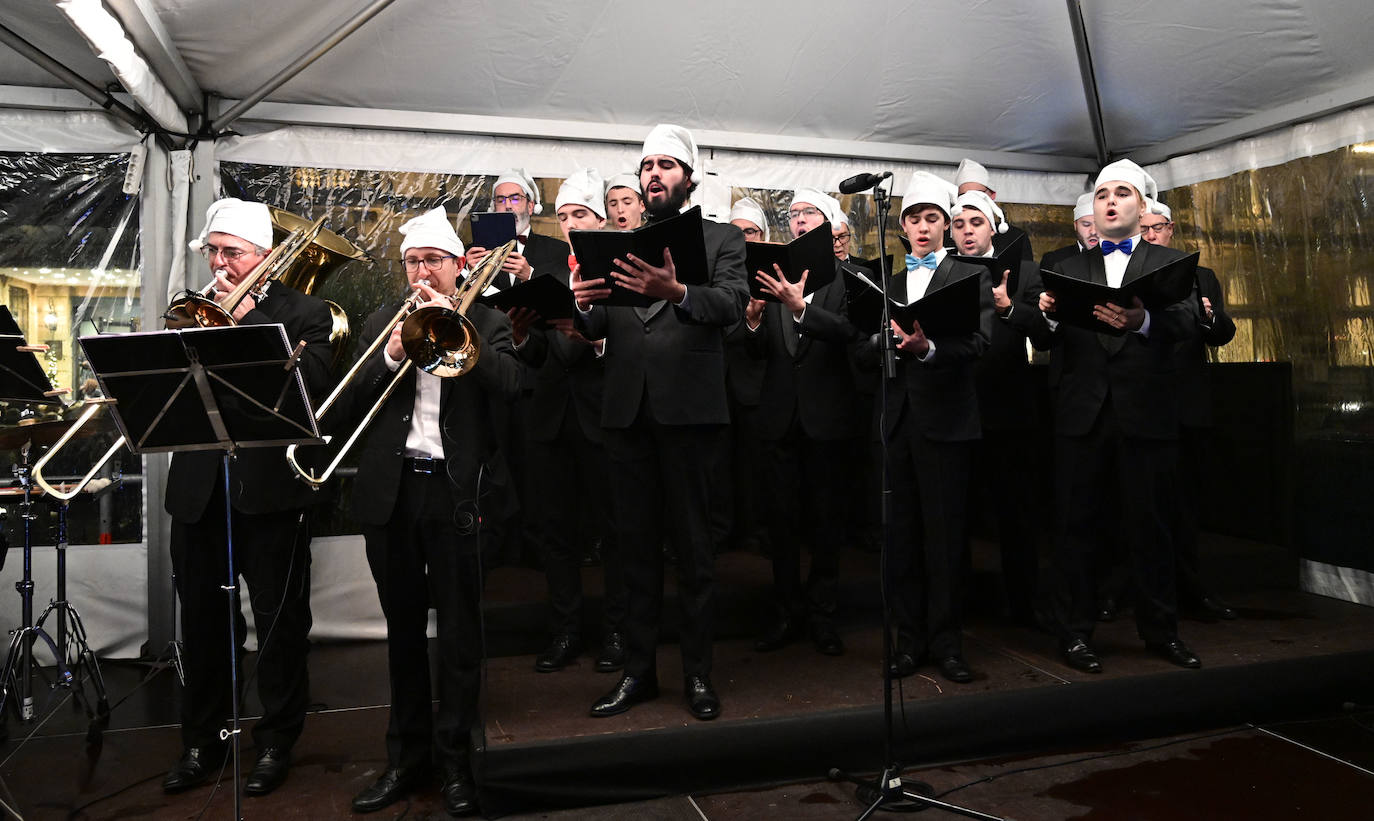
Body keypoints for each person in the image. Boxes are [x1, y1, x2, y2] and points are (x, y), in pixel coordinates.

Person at [348, 207, 521, 816]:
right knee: (401, 633)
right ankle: (404, 760)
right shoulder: (380, 321)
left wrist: (460, 328)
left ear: (459, 266)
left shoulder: (491, 320)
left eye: (433, 262)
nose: (421, 271)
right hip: (394, 494)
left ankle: (456, 762)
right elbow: (347, 401)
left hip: (458, 494)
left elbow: (512, 387)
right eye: (412, 262)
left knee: (459, 635)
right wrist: (393, 352)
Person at [572, 123, 748, 720]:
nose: (654, 175)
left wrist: (676, 292)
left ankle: (697, 675)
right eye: (647, 166)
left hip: (690, 416)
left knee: (695, 551)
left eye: (667, 166)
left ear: (689, 179)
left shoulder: (722, 240)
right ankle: (638, 673)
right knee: (634, 551)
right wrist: (581, 303)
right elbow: (599, 328)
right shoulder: (618, 242)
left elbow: (728, 306)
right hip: (626, 415)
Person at [162, 198, 333, 797]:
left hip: (271, 492)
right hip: (199, 491)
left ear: (264, 256)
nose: (220, 264)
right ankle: (201, 740)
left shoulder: (308, 313)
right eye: (213, 251)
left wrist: (246, 326)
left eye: (232, 252)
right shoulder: (190, 308)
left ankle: (277, 741)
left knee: (281, 622)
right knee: (204, 624)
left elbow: (311, 390)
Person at [1037, 159, 1203, 675]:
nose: (1110, 202)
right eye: (1103, 194)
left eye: (1122, 193)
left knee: (1151, 526)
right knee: (1076, 527)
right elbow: (1045, 337)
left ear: (1142, 206)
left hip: (1145, 413)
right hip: (1082, 414)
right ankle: (1076, 634)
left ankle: (1161, 632)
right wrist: (1044, 313)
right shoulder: (1064, 265)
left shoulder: (1170, 261)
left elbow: (1191, 318)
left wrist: (1144, 319)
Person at [857, 171, 993, 684]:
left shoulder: (967, 275)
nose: (922, 227)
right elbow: (857, 345)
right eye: (913, 219)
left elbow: (979, 343)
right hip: (896, 421)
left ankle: (949, 644)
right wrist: (881, 345)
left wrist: (928, 348)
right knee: (902, 539)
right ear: (903, 227)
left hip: (948, 422)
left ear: (945, 226)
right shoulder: (884, 283)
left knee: (946, 539)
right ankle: (908, 642)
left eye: (932, 219)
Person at [746, 188, 861, 656]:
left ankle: (823, 615)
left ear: (829, 222)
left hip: (826, 419)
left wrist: (802, 310)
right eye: (792, 215)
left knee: (826, 522)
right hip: (779, 418)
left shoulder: (847, 279)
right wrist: (753, 321)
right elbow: (754, 354)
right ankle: (786, 612)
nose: (798, 222)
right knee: (782, 524)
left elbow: (852, 334)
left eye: (807, 213)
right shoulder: (771, 278)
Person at [524, 169, 626, 674]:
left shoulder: (619, 270)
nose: (569, 224)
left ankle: (616, 632)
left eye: (579, 215)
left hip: (602, 417)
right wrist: (523, 334)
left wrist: (600, 339)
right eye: (562, 216)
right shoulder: (546, 277)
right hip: (550, 419)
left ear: (602, 220)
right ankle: (565, 631)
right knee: (556, 531)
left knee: (613, 530)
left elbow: (633, 344)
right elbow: (538, 351)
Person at [951, 190, 1053, 626]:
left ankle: (1026, 605)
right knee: (956, 515)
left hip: (1008, 408)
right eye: (959, 224)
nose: (967, 231)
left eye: (976, 223)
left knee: (1015, 515)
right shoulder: (942, 270)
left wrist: (1011, 308)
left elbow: (1047, 336)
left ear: (993, 227)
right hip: (954, 407)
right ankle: (959, 608)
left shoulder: (1027, 272)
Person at [466, 170, 571, 570]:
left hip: (542, 379)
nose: (507, 206)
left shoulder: (554, 250)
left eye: (515, 199)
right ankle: (499, 556)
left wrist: (529, 276)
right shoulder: (469, 250)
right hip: (491, 378)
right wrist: (467, 272)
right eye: (499, 201)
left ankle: (541, 555)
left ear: (531, 205)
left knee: (540, 476)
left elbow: (566, 308)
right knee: (494, 470)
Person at [1141, 198, 1239, 621]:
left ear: (1171, 229)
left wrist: (1208, 317)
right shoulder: (1125, 275)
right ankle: (1126, 592)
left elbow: (1223, 333)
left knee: (1183, 505)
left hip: (1184, 405)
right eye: (1142, 228)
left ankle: (1191, 591)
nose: (1150, 235)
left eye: (1156, 228)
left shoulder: (1202, 276)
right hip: (1139, 404)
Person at [955, 158, 1034, 261]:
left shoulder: (1015, 238)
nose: (971, 200)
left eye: (978, 194)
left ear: (992, 195)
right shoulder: (944, 239)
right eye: (963, 195)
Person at [1039, 192, 1099, 271]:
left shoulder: (1118, 259)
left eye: (1099, 225)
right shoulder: (1054, 260)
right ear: (1075, 225)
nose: (1093, 231)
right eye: (1086, 225)